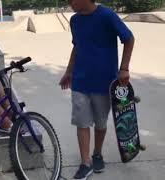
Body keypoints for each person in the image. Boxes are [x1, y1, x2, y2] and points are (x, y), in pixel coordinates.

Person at [59, 0, 135, 179]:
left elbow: (129, 38)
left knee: (100, 123)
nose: (68, 3)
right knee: (81, 121)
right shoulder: (74, 21)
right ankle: (85, 163)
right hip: (80, 81)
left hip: (104, 82)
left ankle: (97, 153)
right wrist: (69, 71)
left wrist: (124, 68)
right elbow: (77, 46)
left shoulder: (107, 16)